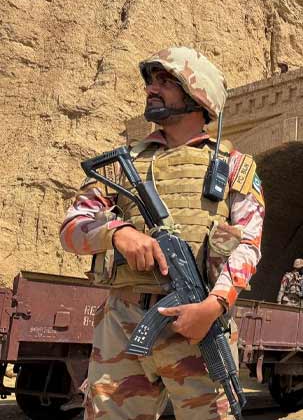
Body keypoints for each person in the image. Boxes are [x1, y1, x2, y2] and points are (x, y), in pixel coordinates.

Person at [60, 46, 265, 420]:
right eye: (151, 81)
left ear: (197, 95)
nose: (151, 89)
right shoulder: (124, 164)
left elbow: (249, 246)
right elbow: (72, 228)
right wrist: (118, 232)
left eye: (166, 81)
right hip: (122, 325)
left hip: (199, 325)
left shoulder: (235, 167)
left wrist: (212, 306)